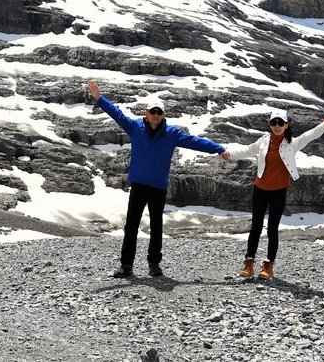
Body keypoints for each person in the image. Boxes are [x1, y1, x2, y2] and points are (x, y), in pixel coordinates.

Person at [87, 79, 230, 278]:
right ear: (145, 113)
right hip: (138, 185)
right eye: (152, 112)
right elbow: (117, 115)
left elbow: (195, 142)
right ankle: (126, 266)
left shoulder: (172, 134)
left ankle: (154, 264)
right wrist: (99, 98)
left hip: (158, 188)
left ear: (164, 115)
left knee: (156, 226)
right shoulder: (135, 127)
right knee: (131, 226)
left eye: (159, 112)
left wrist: (218, 149)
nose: (155, 115)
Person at [226, 108, 324, 280]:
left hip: (278, 192)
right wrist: (228, 155)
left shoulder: (292, 143)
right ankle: (249, 263)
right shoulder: (263, 141)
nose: (277, 126)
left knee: (272, 229)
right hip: (260, 189)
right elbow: (247, 151)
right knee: (255, 228)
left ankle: (268, 266)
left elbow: (310, 135)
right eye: (274, 123)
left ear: (286, 125)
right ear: (270, 125)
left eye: (281, 123)